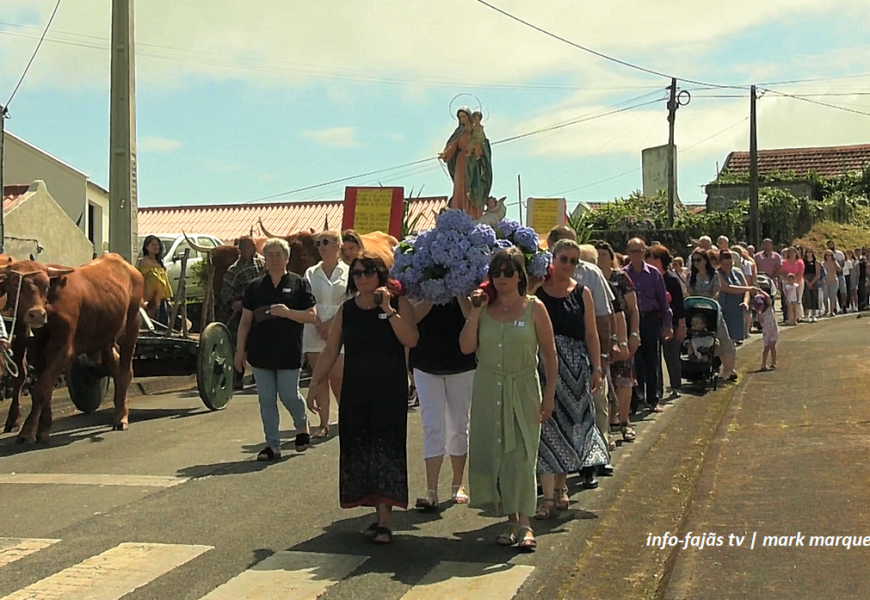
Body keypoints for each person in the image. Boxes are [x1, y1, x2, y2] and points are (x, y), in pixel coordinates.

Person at [307, 252, 418, 545]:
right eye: (357, 273)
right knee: (361, 448)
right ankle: (374, 509)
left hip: (389, 389)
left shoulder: (397, 302)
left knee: (386, 449)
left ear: (380, 274)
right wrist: (315, 383)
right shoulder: (347, 310)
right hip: (356, 388)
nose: (363, 277)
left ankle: (385, 520)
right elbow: (331, 350)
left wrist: (389, 309)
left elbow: (411, 339)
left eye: (369, 271)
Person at [460, 247, 557, 552]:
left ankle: (526, 522)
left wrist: (549, 394)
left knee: (522, 455)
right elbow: (465, 347)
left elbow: (550, 355)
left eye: (508, 272)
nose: (502, 278)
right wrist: (475, 311)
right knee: (498, 454)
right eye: (496, 273)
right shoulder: (485, 310)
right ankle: (511, 519)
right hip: (489, 388)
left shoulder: (535, 308)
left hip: (524, 387)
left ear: (520, 276)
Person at [533, 239, 607, 518]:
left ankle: (562, 487)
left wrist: (597, 368)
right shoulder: (537, 290)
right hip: (543, 365)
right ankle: (547, 497)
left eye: (574, 261)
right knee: (547, 428)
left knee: (571, 427)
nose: (568, 265)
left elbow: (591, 333)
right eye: (563, 259)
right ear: (553, 259)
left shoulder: (582, 292)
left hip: (576, 368)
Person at [234, 238, 317, 461]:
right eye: (270, 255)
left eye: (278, 254)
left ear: (287, 258)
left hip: (288, 351)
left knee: (289, 395)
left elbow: (311, 315)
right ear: (265, 260)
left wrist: (288, 312)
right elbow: (245, 322)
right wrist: (239, 351)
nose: (274, 259)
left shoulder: (299, 284)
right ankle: (272, 445)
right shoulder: (255, 287)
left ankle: (302, 425)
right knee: (266, 400)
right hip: (261, 353)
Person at [408, 295, 476, 510]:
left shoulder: (466, 278)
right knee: (432, 426)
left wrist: (456, 290)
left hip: (462, 364)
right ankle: (431, 490)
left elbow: (471, 316)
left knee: (459, 425)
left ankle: (458, 483)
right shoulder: (419, 277)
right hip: (425, 363)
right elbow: (411, 317)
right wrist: (435, 292)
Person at [302, 230, 350, 438]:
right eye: (318, 243)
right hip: (314, 328)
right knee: (319, 376)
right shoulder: (310, 272)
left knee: (338, 375)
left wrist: (331, 324)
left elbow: (351, 300)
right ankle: (323, 423)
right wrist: (318, 323)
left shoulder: (349, 272)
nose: (321, 246)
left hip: (341, 326)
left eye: (325, 242)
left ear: (337, 245)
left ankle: (348, 417)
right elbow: (306, 299)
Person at [623, 238, 673, 412]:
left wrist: (668, 324)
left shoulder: (654, 273)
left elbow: (663, 302)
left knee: (652, 360)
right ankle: (636, 400)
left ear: (645, 252)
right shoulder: (623, 275)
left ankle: (653, 399)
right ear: (628, 253)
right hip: (631, 321)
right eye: (633, 251)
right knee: (634, 362)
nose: (636, 255)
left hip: (651, 319)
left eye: (639, 251)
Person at [220, 236, 265, 389]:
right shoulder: (234, 270)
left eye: (254, 247)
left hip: (261, 309)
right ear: (242, 249)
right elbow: (225, 291)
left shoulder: (262, 264)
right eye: (250, 247)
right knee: (240, 344)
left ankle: (259, 375)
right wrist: (233, 302)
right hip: (243, 311)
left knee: (260, 343)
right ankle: (237, 377)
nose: (253, 250)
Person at [646, 244, 686, 400]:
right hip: (654, 323)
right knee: (654, 358)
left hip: (672, 322)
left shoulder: (671, 280)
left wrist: (681, 326)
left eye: (650, 258)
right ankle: (657, 390)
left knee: (671, 356)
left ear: (658, 260)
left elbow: (679, 304)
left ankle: (675, 386)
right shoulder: (648, 279)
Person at [137, 235, 173, 325]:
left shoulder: (159, 262)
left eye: (157, 245)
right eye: (153, 245)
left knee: (164, 324)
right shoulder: (142, 262)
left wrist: (168, 300)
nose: (156, 247)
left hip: (161, 299)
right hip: (149, 300)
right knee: (152, 323)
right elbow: (140, 281)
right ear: (146, 247)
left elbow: (165, 282)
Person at [753, 290, 778, 371]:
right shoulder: (759, 314)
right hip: (766, 332)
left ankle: (773, 363)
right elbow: (760, 321)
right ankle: (763, 364)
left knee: (772, 346)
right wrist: (759, 312)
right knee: (766, 348)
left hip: (773, 330)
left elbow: (768, 297)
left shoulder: (770, 309)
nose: (761, 306)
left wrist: (760, 291)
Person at [802, 247, 820, 322]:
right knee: (806, 297)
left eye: (810, 252)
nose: (809, 253)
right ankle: (806, 315)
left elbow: (818, 274)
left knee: (814, 297)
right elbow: (802, 273)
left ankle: (814, 314)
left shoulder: (816, 262)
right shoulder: (803, 262)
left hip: (814, 280)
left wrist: (812, 282)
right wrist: (807, 281)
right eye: (807, 252)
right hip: (806, 280)